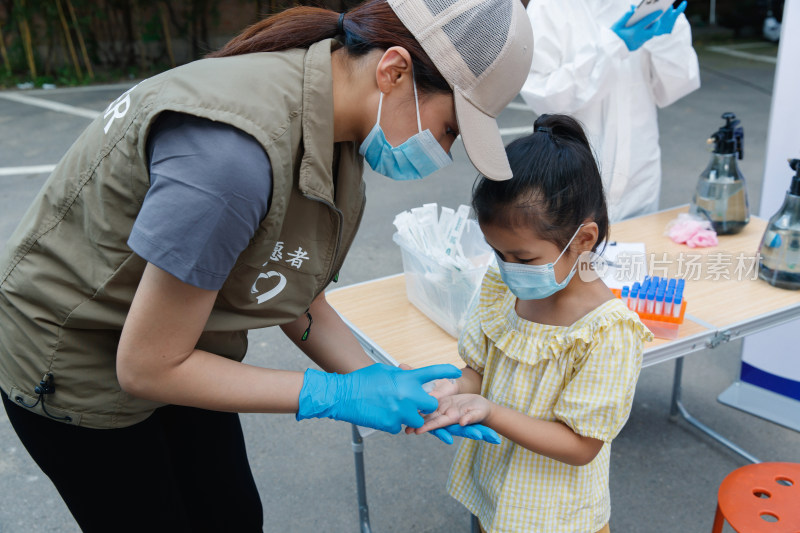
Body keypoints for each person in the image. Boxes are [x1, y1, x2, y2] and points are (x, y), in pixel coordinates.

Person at [0, 0, 533, 530]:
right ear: (394, 71)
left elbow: (292, 291)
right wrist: (336, 394)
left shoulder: (338, 118)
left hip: (183, 339)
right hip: (78, 358)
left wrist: (376, 379)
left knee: (230, 514)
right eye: (449, 129)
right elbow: (147, 366)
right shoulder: (231, 157)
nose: (443, 149)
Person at [410, 115, 653, 532]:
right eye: (497, 252)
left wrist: (488, 411)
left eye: (523, 259)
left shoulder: (607, 333)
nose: (508, 268)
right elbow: (478, 371)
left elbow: (581, 446)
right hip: (499, 496)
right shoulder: (500, 287)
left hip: (557, 517)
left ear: (583, 240)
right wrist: (451, 390)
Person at [520, 0, 700, 222]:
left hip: (639, 171)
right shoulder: (549, 7)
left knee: (637, 248)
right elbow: (545, 97)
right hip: (573, 171)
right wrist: (612, 47)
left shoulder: (644, 3)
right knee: (576, 247)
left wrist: (665, 41)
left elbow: (675, 86)